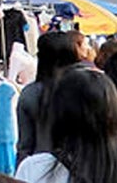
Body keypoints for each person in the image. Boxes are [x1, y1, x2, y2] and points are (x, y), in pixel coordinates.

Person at [17, 31, 89, 159]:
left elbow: (25, 145)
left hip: (41, 169)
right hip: (83, 166)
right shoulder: (86, 88)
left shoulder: (30, 93)